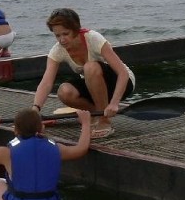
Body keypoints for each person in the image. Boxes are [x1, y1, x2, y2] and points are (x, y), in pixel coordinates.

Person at [31, 8, 135, 138]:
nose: (62, 40)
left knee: (90, 67)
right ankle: (95, 113)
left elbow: (122, 73)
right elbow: (46, 83)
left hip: (123, 83)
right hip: (93, 88)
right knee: (64, 91)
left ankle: (104, 120)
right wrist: (35, 109)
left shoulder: (93, 38)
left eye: (65, 34)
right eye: (57, 35)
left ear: (76, 29)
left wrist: (114, 103)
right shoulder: (57, 50)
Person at [0, 108, 91, 200]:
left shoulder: (5, 153)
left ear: (16, 130)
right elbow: (81, 149)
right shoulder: (57, 148)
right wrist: (86, 123)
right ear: (41, 128)